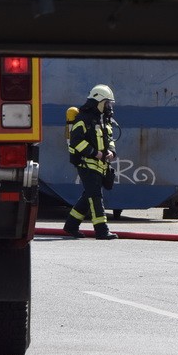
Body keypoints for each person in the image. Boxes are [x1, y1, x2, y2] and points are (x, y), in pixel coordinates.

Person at [64, 84, 118, 240]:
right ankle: (101, 230)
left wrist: (111, 152)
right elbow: (76, 142)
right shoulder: (83, 118)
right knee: (95, 196)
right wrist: (96, 153)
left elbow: (109, 138)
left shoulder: (104, 119)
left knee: (88, 196)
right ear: (99, 101)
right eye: (107, 103)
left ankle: (71, 226)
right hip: (86, 164)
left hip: (100, 164)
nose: (109, 107)